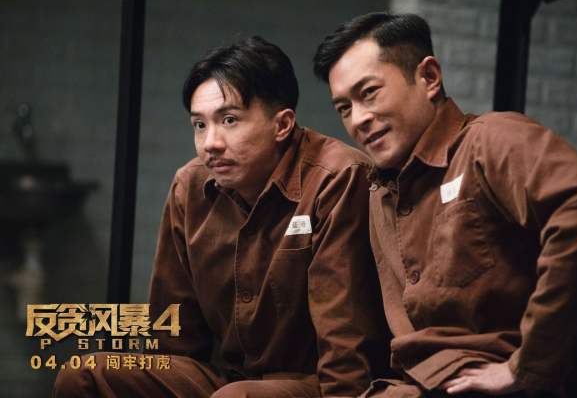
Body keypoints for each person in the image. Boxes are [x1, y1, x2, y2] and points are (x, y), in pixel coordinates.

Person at [53, 35, 390, 397]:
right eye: (200, 125)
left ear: (282, 125)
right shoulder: (190, 185)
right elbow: (175, 338)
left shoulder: (336, 177)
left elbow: (345, 340)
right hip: (225, 379)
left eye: (229, 120)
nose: (210, 143)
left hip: (313, 384)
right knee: (83, 375)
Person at [313, 12, 577, 398]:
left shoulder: (490, 140)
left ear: (429, 77)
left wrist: (527, 365)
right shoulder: (381, 193)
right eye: (344, 108)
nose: (358, 119)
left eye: (369, 93)